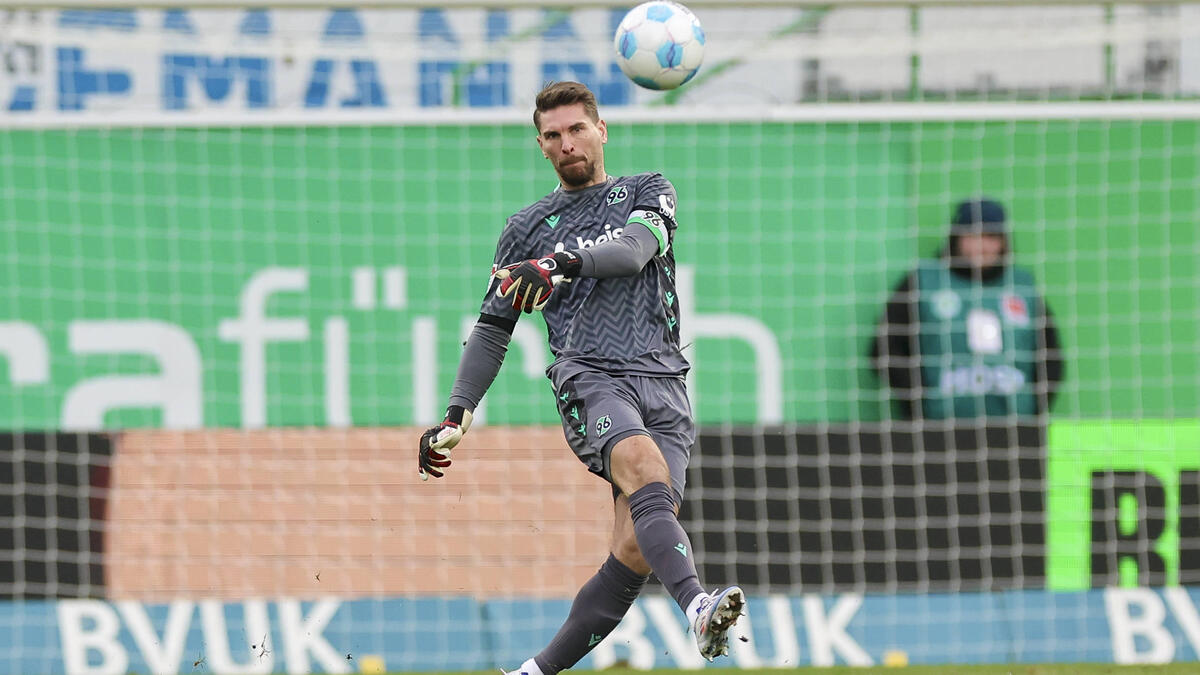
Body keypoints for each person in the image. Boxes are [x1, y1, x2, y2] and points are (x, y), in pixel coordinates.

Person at [416, 81, 744, 674]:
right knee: (641, 466)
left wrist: (559, 263)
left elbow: (633, 252)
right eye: (552, 135)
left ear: (601, 130)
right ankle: (698, 606)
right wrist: (456, 412)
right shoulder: (525, 229)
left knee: (635, 548)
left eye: (576, 129)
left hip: (663, 380)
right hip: (589, 375)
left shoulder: (647, 190)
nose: (566, 143)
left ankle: (533, 672)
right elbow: (492, 327)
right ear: (541, 145)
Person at [870, 198, 1064, 420]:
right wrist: (920, 401)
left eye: (990, 237)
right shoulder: (924, 281)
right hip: (939, 425)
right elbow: (884, 348)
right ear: (956, 238)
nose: (981, 246)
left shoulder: (1022, 286)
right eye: (972, 235)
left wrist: (1035, 407)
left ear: (1003, 242)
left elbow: (1051, 354)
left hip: (1014, 425)